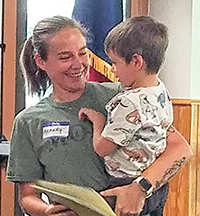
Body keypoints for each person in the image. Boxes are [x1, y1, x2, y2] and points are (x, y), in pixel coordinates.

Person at [6, 15, 191, 216]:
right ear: (41, 61)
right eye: (65, 57)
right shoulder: (28, 122)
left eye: (83, 53)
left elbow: (180, 149)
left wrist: (140, 187)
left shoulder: (124, 96)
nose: (78, 64)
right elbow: (27, 196)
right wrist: (47, 211)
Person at [79, 15, 174, 215]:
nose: (112, 70)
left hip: (126, 185)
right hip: (158, 186)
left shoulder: (128, 101)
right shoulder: (160, 91)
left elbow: (103, 148)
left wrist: (98, 121)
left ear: (136, 61)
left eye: (114, 63)